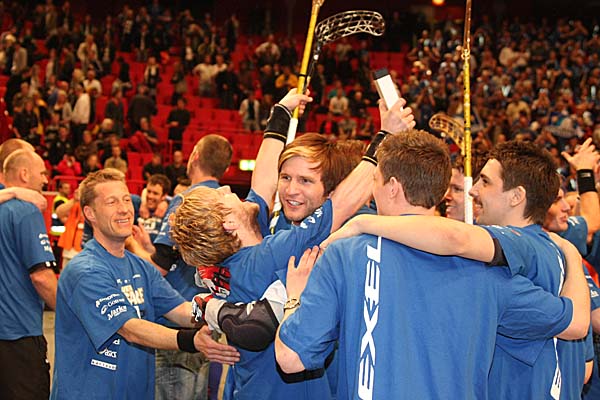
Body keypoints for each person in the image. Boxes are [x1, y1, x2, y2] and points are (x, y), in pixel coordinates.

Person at [274, 131, 589, 399]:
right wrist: (573, 256)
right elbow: (573, 323)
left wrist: (294, 298)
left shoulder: (344, 254)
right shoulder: (491, 270)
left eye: (375, 180)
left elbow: (291, 358)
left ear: (392, 186)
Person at [170, 93, 414, 399]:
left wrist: (281, 113)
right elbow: (341, 204)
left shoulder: (237, 250)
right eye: (223, 196)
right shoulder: (270, 255)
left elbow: (263, 182)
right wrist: (385, 135)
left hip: (249, 388)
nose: (228, 188)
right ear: (229, 223)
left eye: (302, 180)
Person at [50, 169, 239, 399]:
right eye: (112, 202)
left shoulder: (140, 267)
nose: (124, 209)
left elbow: (180, 310)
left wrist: (228, 314)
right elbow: (130, 329)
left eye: (126, 199)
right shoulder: (86, 271)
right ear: (90, 213)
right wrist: (191, 340)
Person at [127, 134, 233, 400]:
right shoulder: (228, 201)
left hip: (176, 321)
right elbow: (179, 259)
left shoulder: (186, 201)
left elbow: (159, 269)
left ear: (194, 156)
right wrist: (148, 246)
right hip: (207, 314)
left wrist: (131, 244)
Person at [0, 149, 58, 400]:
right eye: (42, 173)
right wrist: (73, 312)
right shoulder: (26, 210)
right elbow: (41, 277)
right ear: (24, 174)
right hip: (20, 333)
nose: (45, 180)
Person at [137, 174, 170, 242]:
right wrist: (143, 202)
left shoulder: (169, 211)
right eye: (148, 191)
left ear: (164, 196)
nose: (150, 196)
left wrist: (166, 202)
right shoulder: (137, 203)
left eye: (155, 193)